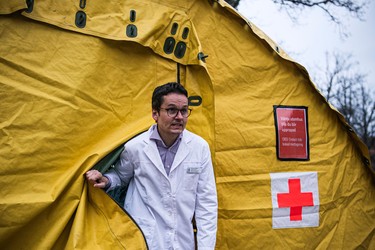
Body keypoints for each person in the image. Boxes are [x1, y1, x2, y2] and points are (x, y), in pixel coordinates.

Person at [86, 82, 218, 250]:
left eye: (184, 110)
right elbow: (121, 176)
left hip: (182, 241)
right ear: (155, 113)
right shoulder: (136, 147)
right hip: (144, 238)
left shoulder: (199, 147)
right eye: (171, 110)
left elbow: (206, 203)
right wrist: (106, 179)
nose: (179, 117)